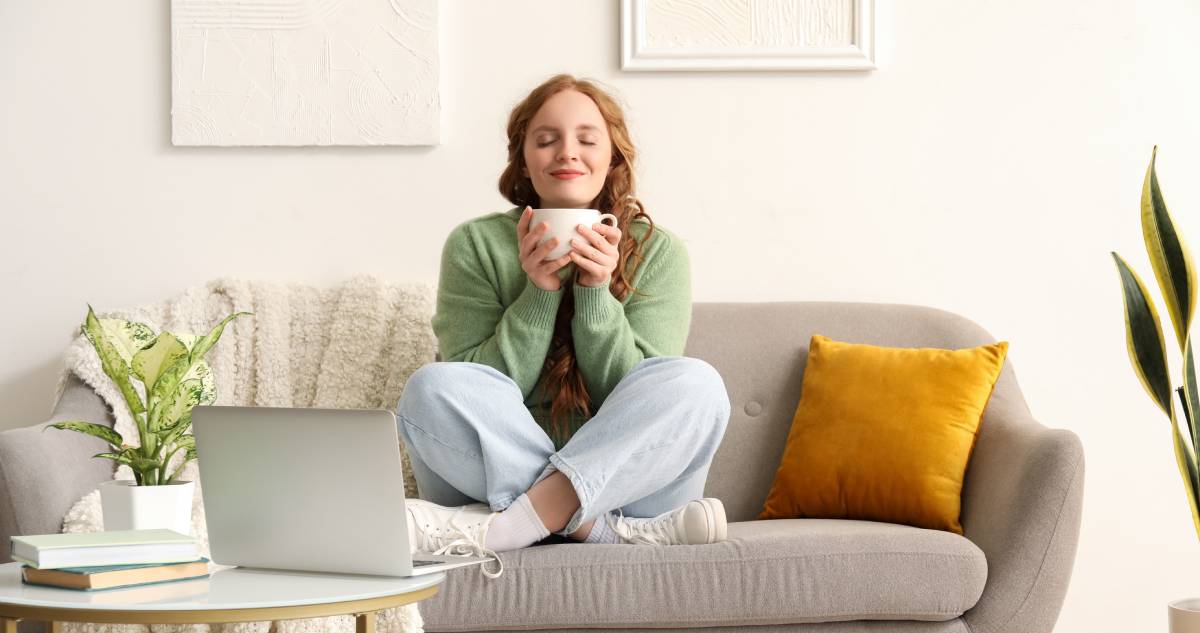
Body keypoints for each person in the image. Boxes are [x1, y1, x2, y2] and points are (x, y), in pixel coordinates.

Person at [395, 74, 732, 578]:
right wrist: (539, 294)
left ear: (613, 157)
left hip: (623, 490)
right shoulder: (476, 244)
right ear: (524, 159)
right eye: (546, 139)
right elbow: (476, 385)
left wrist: (595, 292)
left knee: (696, 384)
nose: (566, 153)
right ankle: (593, 527)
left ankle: (513, 525)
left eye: (587, 139)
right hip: (499, 477)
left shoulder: (659, 251)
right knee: (431, 387)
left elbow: (635, 395)